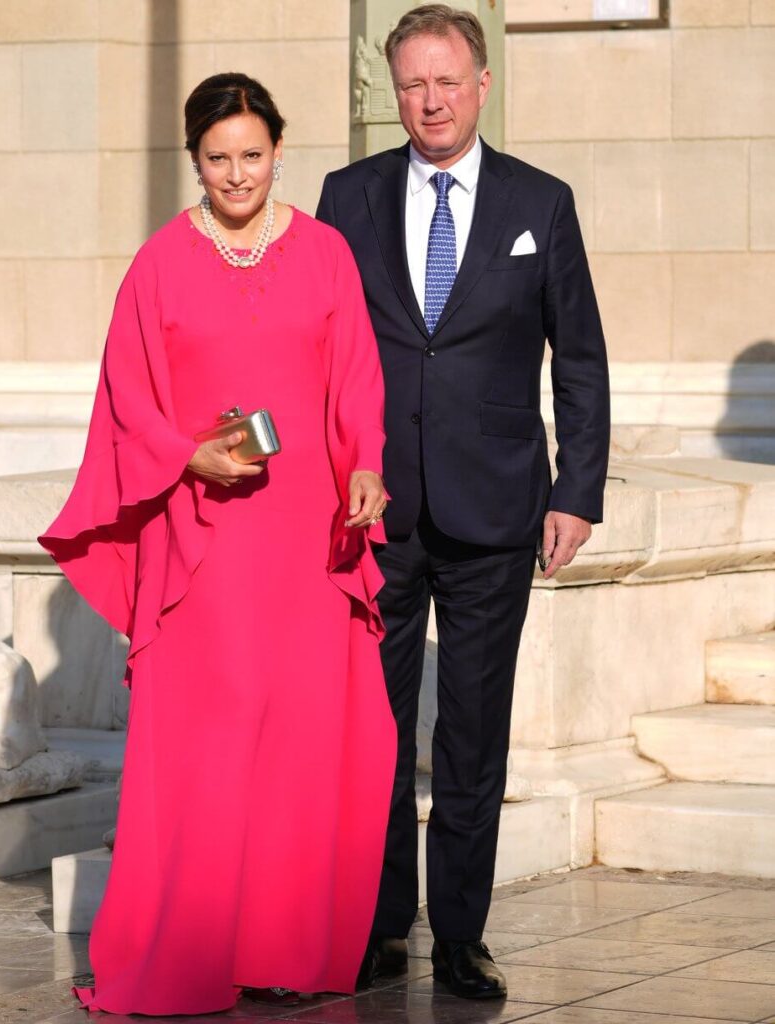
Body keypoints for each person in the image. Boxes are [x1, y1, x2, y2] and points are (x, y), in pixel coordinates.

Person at [39, 73, 397, 1017]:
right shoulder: (157, 264)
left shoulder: (325, 254)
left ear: (280, 150)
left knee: (305, 738)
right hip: (203, 541)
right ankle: (193, 947)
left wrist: (366, 466)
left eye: (252, 153)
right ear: (193, 161)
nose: (237, 174)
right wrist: (185, 452)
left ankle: (287, 948)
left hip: (308, 534)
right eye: (217, 158)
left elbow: (355, 380)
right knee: (211, 738)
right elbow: (126, 400)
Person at [317, 4, 610, 1002]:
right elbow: (316, 349)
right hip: (373, 511)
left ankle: (462, 936)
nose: (430, 100)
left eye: (446, 80)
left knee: (472, 731)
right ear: (391, 89)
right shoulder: (345, 197)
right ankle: (383, 922)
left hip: (496, 512)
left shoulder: (542, 202)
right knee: (376, 730)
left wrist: (577, 492)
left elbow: (579, 358)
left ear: (482, 84)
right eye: (412, 83)